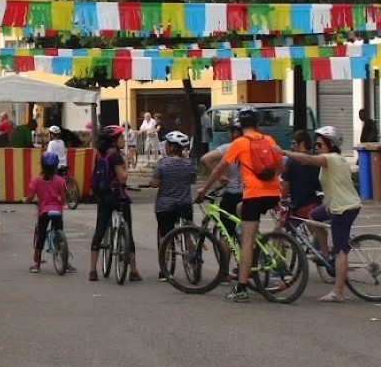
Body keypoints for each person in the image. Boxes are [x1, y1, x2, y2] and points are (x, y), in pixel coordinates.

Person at [198, 107, 285, 303]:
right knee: (241, 215)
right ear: (257, 124)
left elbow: (218, 169)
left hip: (253, 195)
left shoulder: (238, 144)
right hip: (272, 194)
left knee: (245, 241)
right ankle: (257, 243)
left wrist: (204, 190)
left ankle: (242, 288)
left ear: (240, 125)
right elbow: (280, 168)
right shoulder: (269, 140)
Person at [283, 126, 363, 302]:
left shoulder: (331, 159)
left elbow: (307, 159)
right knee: (313, 216)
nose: (316, 147)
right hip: (338, 204)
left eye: (319, 144)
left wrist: (284, 152)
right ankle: (324, 253)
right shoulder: (337, 160)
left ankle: (338, 292)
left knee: (340, 250)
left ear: (330, 144)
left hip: (343, 208)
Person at [88, 128, 140, 282]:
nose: (124, 140)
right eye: (121, 137)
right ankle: (133, 270)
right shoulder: (116, 156)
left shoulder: (100, 154)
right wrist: (126, 163)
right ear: (114, 141)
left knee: (100, 229)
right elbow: (123, 178)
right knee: (128, 231)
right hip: (118, 197)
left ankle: (92, 270)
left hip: (103, 197)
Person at [151, 131, 197, 280]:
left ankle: (164, 270)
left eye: (167, 145)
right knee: (189, 231)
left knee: (165, 235)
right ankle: (193, 258)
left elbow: (155, 183)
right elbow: (192, 180)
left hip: (166, 206)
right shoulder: (189, 164)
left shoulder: (162, 164)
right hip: (185, 204)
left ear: (171, 147)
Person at [27, 151, 66, 273]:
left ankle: (36, 264)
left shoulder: (37, 181)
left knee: (41, 236)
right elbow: (63, 197)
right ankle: (66, 262)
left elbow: (30, 197)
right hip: (57, 211)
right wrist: (61, 203)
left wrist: (25, 200)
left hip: (44, 211)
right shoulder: (60, 180)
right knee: (60, 235)